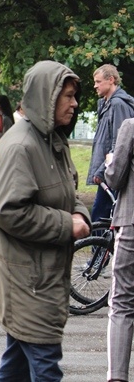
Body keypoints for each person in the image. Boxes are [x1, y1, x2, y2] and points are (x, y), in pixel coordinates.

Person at [0, 60, 90, 381]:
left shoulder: (51, 140)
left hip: (39, 277)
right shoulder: (20, 146)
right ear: (46, 97)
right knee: (45, 366)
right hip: (27, 281)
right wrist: (67, 225)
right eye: (67, 96)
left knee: (17, 366)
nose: (74, 103)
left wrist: (79, 213)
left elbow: (67, 190)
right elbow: (9, 211)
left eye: (74, 96)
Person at [106, 116, 134, 381]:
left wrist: (109, 162)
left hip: (131, 222)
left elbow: (115, 177)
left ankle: (117, 376)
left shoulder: (131, 127)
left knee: (122, 301)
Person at [88, 64, 134, 226]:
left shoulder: (118, 105)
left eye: (98, 81)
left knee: (100, 216)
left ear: (111, 80)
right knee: (102, 216)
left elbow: (121, 144)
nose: (95, 86)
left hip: (114, 171)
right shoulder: (106, 104)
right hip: (107, 170)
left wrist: (102, 170)